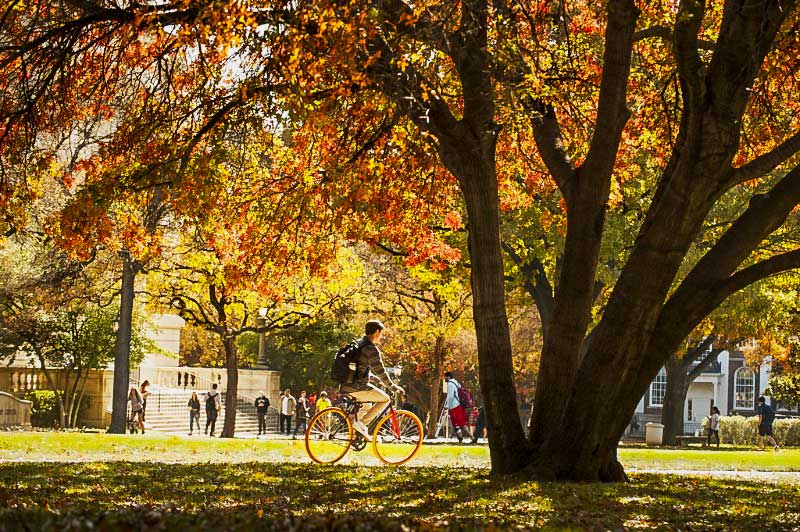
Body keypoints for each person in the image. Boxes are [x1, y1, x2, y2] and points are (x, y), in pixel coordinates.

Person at [340, 320, 404, 441]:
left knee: (367, 405)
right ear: (376, 332)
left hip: (345, 385)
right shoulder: (371, 349)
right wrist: (393, 387)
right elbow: (381, 372)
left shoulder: (358, 344)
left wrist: (374, 379)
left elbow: (359, 369)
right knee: (386, 399)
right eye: (381, 334)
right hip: (358, 387)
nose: (381, 337)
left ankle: (354, 436)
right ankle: (362, 424)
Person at [444, 371, 471, 443]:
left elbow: (450, 396)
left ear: (449, 377)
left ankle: (466, 438)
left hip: (455, 406)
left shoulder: (450, 384)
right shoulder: (456, 382)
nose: (445, 379)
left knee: (457, 423)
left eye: (445, 377)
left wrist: (447, 406)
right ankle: (463, 438)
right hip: (459, 405)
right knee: (461, 423)